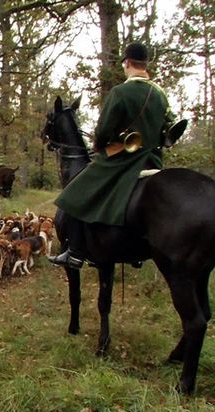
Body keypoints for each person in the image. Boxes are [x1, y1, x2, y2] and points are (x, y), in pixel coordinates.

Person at [49, 42, 175, 269]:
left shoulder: (121, 92)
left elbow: (104, 130)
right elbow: (169, 128)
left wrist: (99, 145)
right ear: (145, 64)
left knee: (74, 193)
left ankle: (75, 252)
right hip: (153, 160)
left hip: (124, 159)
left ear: (127, 63)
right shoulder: (160, 94)